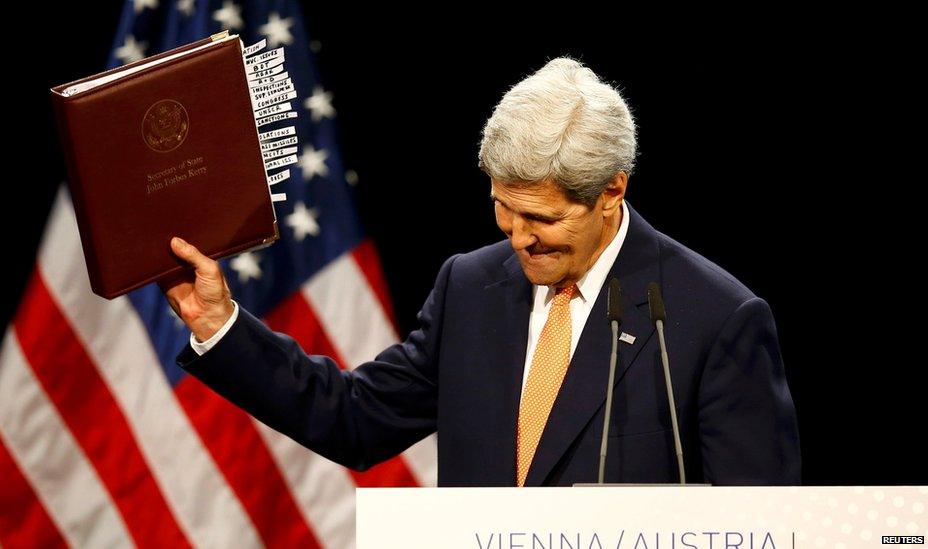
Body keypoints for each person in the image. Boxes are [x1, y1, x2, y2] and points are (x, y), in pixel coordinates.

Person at [161, 57, 801, 487]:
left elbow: (762, 523)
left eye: (542, 217)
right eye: (502, 207)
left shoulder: (712, 318)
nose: (519, 238)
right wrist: (220, 325)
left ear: (611, 190)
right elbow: (353, 419)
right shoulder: (471, 287)